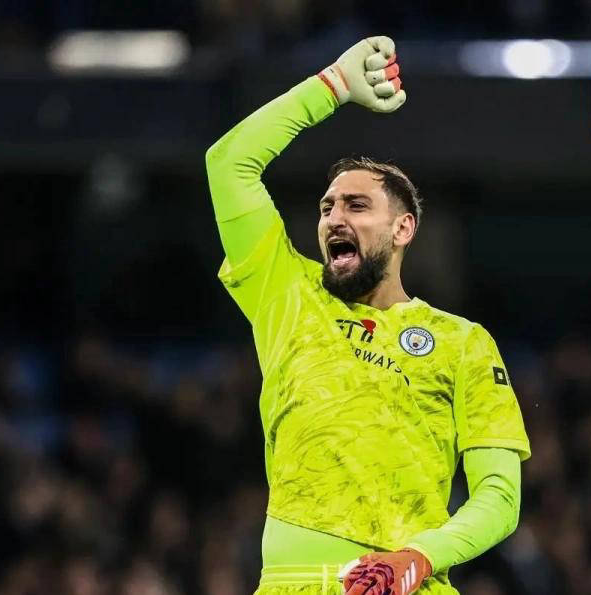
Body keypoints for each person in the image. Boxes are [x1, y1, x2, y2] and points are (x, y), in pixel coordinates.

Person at [206, 36, 531, 595]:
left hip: (404, 583)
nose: (335, 217)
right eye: (327, 207)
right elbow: (229, 164)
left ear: (403, 229)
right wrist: (331, 86)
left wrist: (419, 558)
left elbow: (500, 498)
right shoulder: (287, 294)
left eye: (357, 206)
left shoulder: (463, 342)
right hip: (289, 583)